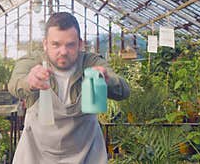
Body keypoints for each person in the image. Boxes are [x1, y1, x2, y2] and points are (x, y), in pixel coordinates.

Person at [8, 12, 130, 164]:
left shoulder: (91, 62)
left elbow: (124, 91)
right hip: (37, 154)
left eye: (70, 44)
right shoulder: (33, 62)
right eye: (56, 44)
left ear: (80, 44)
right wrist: (29, 82)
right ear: (45, 44)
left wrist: (107, 81)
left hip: (86, 153)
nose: (63, 51)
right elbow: (14, 84)